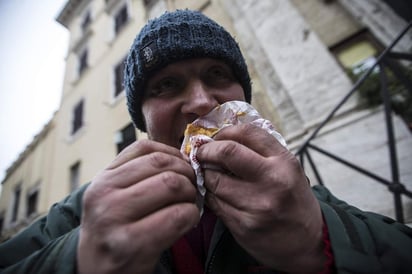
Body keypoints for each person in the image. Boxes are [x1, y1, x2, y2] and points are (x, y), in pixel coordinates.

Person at [1, 9, 411, 274]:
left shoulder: (294, 193)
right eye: (167, 85)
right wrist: (78, 258)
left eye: (217, 75)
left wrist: (319, 239)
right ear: (141, 120)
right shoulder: (83, 210)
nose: (200, 102)